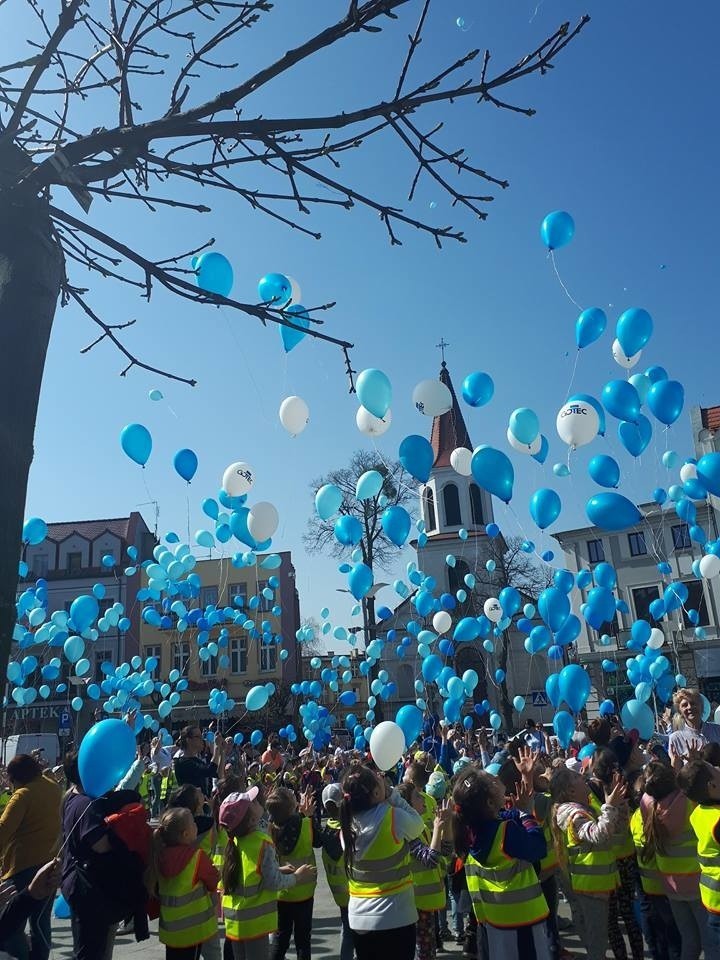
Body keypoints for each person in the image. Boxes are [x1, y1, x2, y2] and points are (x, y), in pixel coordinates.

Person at [453, 766, 549, 960]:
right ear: (489, 802)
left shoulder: (471, 829)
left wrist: (520, 805)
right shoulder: (505, 832)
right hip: (523, 920)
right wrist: (528, 814)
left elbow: (507, 815)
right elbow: (538, 848)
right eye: (491, 780)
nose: (497, 777)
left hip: (494, 920)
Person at [339, 764, 425, 960]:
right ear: (377, 792)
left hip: (360, 918)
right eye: (376, 777)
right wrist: (393, 796)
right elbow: (417, 825)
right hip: (395, 915)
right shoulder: (392, 817)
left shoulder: (346, 827)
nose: (380, 776)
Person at [220, 787, 315, 960]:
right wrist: (297, 876)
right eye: (254, 802)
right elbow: (273, 882)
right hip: (255, 924)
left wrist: (277, 869)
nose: (259, 801)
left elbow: (252, 876)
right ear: (251, 819)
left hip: (235, 922)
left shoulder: (233, 841)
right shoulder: (261, 843)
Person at [551, 764, 626, 960]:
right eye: (579, 779)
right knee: (597, 940)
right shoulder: (575, 815)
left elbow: (610, 828)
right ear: (571, 791)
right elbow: (598, 834)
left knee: (596, 935)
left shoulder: (583, 806)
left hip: (596, 884)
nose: (584, 780)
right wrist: (610, 805)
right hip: (590, 885)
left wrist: (615, 801)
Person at [0, 753, 62, 960]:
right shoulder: (53, 787)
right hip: (50, 865)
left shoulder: (23, 795)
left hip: (22, 867)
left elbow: (3, 831)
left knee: (11, 922)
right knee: (41, 922)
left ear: (16, 778)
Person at [149, 806, 220, 960]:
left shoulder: (159, 855)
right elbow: (213, 879)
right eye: (193, 823)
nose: (197, 825)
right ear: (185, 834)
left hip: (171, 929)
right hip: (193, 929)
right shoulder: (196, 856)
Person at [396, 782, 450, 960]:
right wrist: (438, 827)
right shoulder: (409, 833)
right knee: (424, 952)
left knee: (428, 950)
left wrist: (447, 824)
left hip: (427, 903)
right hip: (416, 904)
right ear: (408, 805)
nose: (423, 799)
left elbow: (447, 851)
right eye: (417, 797)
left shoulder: (421, 828)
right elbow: (431, 859)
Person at [265, 787, 318, 960]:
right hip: (304, 892)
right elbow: (318, 841)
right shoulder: (304, 824)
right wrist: (308, 816)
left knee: (281, 939)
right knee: (303, 941)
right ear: (291, 807)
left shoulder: (269, 830)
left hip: (282, 891)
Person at [677, 759, 720, 958]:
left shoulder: (698, 813)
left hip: (711, 898)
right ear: (712, 786)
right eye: (715, 770)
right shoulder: (717, 820)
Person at [318, 784, 353, 960]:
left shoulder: (326, 831)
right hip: (353, 891)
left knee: (347, 928)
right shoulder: (346, 831)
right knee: (352, 932)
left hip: (339, 895)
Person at [669, 689, 720, 763]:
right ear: (679, 711)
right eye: (684, 705)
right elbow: (676, 772)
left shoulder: (717, 730)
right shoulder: (676, 738)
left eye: (693, 703)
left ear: (702, 707)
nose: (689, 707)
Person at [175, 728, 225, 798]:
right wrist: (216, 747)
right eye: (198, 737)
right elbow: (210, 770)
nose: (202, 739)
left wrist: (222, 752)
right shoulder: (183, 762)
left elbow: (219, 774)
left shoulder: (197, 760)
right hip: (190, 804)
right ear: (188, 740)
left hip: (200, 803)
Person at [168, 785, 215, 859]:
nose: (199, 788)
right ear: (198, 804)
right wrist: (214, 809)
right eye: (196, 791)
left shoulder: (175, 826)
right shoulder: (206, 824)